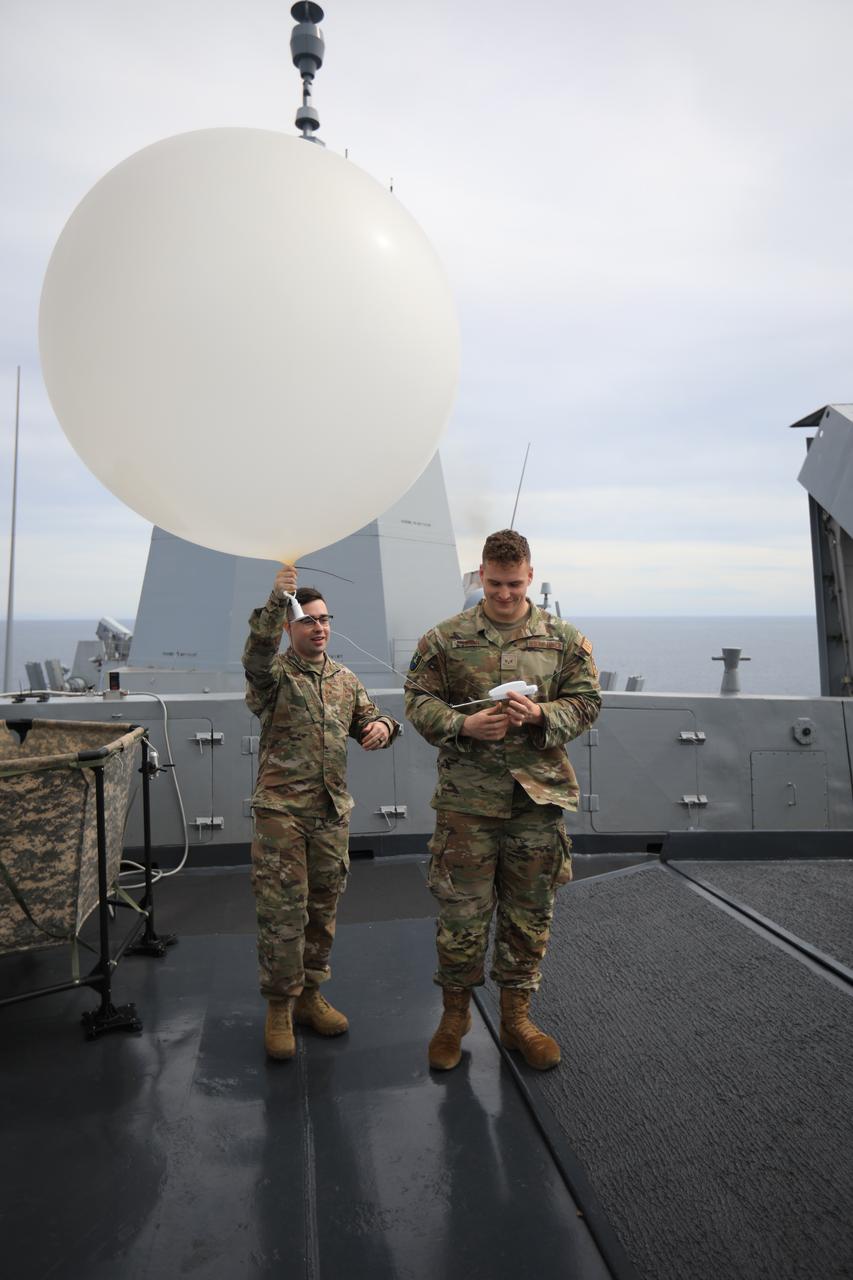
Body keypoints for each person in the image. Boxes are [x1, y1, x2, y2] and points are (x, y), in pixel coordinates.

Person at [404, 529, 601, 1071]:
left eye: (514, 584)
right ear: (480, 577)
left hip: (536, 803)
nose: (505, 594)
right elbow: (417, 702)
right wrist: (463, 724)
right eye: (494, 584)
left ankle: (517, 1019)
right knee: (462, 915)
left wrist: (541, 716)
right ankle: (454, 1017)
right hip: (468, 803)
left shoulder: (563, 639)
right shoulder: (445, 639)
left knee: (528, 914)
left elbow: (586, 703)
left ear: (530, 576)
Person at [243, 565, 400, 1060]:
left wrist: (383, 728)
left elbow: (371, 717)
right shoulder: (273, 677)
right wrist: (275, 600)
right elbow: (256, 653)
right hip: (281, 812)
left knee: (322, 910)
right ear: (291, 628)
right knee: (282, 912)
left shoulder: (343, 679)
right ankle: (279, 1007)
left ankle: (311, 996)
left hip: (330, 813)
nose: (320, 627)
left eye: (325, 619)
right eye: (308, 620)